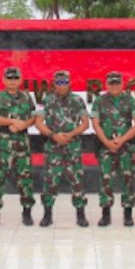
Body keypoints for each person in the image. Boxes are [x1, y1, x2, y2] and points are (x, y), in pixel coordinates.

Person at [36, 70, 90, 227]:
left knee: (77, 180)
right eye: (58, 82)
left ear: (69, 83)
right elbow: (39, 122)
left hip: (72, 146)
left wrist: (69, 135)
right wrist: (54, 135)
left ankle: (81, 215)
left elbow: (85, 123)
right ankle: (47, 215)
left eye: (64, 82)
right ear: (54, 84)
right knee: (50, 181)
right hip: (53, 146)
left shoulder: (78, 100)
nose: (61, 85)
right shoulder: (46, 100)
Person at [90, 71, 135, 227]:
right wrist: (106, 142)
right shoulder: (99, 101)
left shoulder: (130, 100)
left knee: (128, 180)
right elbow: (96, 123)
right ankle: (105, 215)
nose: (114, 86)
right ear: (106, 84)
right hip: (106, 147)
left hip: (125, 146)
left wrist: (122, 139)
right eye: (111, 83)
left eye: (117, 83)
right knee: (105, 180)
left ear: (122, 84)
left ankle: (128, 215)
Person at [0, 67, 37, 227]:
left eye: (16, 78)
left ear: (20, 80)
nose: (13, 81)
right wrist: (12, 122)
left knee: (25, 179)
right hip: (3, 142)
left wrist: (23, 125)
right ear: (4, 80)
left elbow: (34, 116)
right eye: (10, 78)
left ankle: (27, 213)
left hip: (22, 142)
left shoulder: (27, 97)